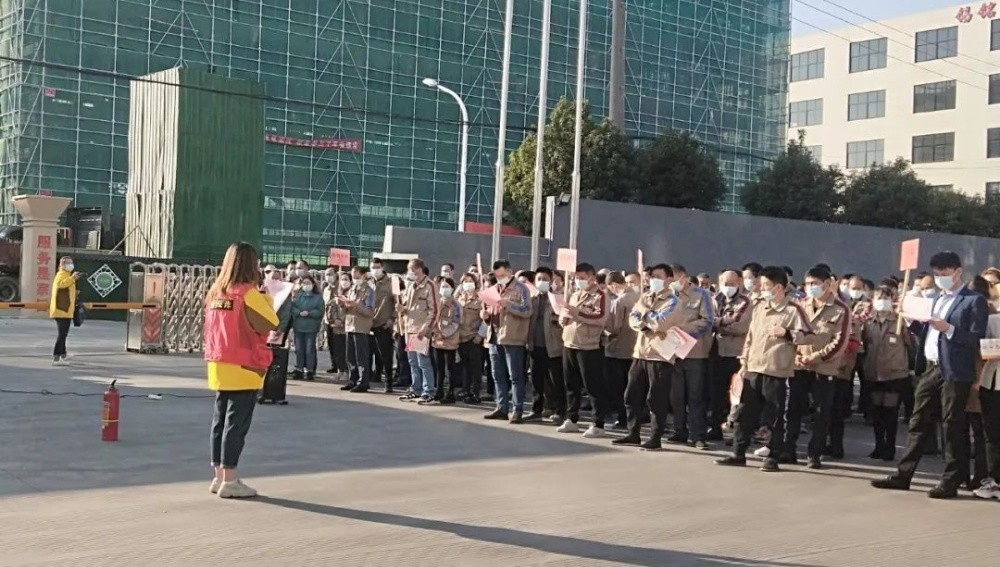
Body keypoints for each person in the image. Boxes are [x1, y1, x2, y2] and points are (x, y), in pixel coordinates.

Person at [873, 251, 989, 499]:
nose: (940, 278)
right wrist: (909, 319)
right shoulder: (936, 299)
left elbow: (976, 338)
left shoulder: (973, 301)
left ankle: (952, 479)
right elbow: (927, 331)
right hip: (931, 367)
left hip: (955, 370)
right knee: (918, 421)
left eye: (944, 274)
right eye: (937, 274)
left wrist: (949, 329)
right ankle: (903, 475)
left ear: (958, 272)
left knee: (952, 425)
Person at [716, 266, 813, 472]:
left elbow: (809, 336)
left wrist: (787, 333)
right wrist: (744, 363)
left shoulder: (793, 310)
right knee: (744, 414)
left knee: (774, 417)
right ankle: (738, 453)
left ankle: (773, 456)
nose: (761, 288)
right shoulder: (760, 307)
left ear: (778, 287)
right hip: (753, 368)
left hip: (776, 371)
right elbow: (750, 337)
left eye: (766, 285)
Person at [203, 242, 278, 498]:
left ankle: (218, 477)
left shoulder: (216, 292)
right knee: (236, 424)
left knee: (220, 421)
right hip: (244, 365)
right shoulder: (247, 293)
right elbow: (270, 321)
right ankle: (231, 480)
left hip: (218, 362)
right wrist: (267, 296)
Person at [784, 266, 850, 469]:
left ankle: (815, 454)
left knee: (822, 412)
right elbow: (791, 333)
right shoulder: (800, 304)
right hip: (799, 365)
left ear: (827, 284)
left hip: (824, 367)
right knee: (794, 409)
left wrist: (815, 357)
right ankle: (788, 449)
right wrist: (798, 356)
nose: (811, 287)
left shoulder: (841, 309)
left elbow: (840, 342)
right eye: (808, 284)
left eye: (815, 283)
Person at [615, 264, 683, 450]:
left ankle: (655, 437)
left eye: (658, 276)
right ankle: (633, 433)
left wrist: (645, 312)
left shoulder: (673, 301)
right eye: (652, 276)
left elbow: (661, 323)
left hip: (659, 356)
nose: (654, 280)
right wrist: (646, 324)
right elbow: (633, 319)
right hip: (640, 352)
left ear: (669, 279)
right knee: (632, 394)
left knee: (656, 398)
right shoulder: (645, 297)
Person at [557, 263, 611, 437]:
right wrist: (564, 318)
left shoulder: (600, 296)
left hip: (589, 345)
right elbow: (569, 315)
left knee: (593, 386)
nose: (578, 281)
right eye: (576, 278)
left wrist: (577, 313)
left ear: (592, 277)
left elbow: (600, 318)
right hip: (570, 342)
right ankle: (571, 418)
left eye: (582, 278)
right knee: (571, 384)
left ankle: (598, 423)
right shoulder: (574, 295)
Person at [665, 264, 715, 449]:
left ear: (683, 278)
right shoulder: (668, 296)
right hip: (673, 352)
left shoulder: (701, 295)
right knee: (676, 396)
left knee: (695, 396)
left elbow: (707, 321)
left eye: (672, 279)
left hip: (695, 352)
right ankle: (679, 431)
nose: (670, 283)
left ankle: (697, 435)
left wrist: (682, 331)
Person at [862, 286, 913, 462]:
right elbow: (865, 343)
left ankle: (889, 447)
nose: (882, 301)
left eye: (886, 297)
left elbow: (911, 343)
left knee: (890, 413)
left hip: (894, 373)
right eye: (878, 298)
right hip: (874, 372)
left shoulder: (899, 321)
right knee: (877, 412)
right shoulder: (868, 322)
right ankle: (878, 446)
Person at [481, 260, 533, 423]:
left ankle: (517, 410)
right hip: (494, 336)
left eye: (502, 275)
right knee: (498, 375)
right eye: (497, 275)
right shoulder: (493, 289)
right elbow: (488, 309)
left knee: (515, 376)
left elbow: (527, 310)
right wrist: (486, 316)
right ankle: (501, 407)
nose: (500, 278)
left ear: (510, 272)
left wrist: (509, 305)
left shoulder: (521, 288)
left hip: (513, 337)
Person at [710, 270, 752, 440]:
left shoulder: (745, 302)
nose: (727, 287)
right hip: (716, 351)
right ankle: (715, 428)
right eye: (724, 283)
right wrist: (723, 322)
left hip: (735, 353)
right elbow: (707, 320)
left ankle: (735, 430)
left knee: (736, 395)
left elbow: (740, 326)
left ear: (739, 283)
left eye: (731, 284)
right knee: (716, 393)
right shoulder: (715, 299)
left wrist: (717, 324)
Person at [398, 259, 439, 402]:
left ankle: (428, 391)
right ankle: (416, 388)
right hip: (410, 328)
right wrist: (402, 309)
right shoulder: (411, 287)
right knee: (413, 362)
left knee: (423, 362)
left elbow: (434, 310)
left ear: (420, 269)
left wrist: (425, 328)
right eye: (409, 270)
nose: (410, 273)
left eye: (412, 269)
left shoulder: (430, 286)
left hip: (421, 330)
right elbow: (409, 308)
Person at [526, 267, 564, 421]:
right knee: (536, 380)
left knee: (556, 380)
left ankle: (559, 410)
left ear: (551, 281)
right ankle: (536, 410)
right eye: (539, 279)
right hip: (535, 344)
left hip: (553, 345)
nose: (542, 282)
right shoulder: (532, 299)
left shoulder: (557, 298)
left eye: (545, 279)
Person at [973, 291, 1000, 500]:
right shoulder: (993, 320)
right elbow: (981, 348)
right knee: (992, 434)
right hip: (992, 382)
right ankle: (995, 480)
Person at [604, 271, 639, 428]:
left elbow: (613, 327)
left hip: (617, 349)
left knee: (617, 387)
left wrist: (603, 331)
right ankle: (633, 417)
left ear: (613, 285)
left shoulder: (620, 301)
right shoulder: (638, 296)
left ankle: (622, 417)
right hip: (634, 349)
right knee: (631, 387)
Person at [340, 266, 376, 392]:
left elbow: (369, 311)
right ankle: (353, 379)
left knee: (361, 356)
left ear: (363, 275)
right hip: (350, 325)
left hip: (361, 327)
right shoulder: (352, 289)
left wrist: (356, 305)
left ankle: (363, 382)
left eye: (356, 275)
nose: (354, 277)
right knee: (350, 356)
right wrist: (343, 305)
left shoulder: (369, 291)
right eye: (353, 275)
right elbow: (347, 309)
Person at [428, 277, 461, 404]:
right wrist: (434, 332)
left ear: (452, 289)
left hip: (450, 341)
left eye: (447, 287)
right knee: (439, 368)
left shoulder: (456, 305)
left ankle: (450, 393)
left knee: (450, 368)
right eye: (442, 286)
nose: (444, 289)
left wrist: (444, 334)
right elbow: (432, 317)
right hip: (437, 340)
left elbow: (456, 323)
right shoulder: (437, 302)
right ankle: (439, 391)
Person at [456, 272, 484, 404]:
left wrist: (480, 335)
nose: (468, 284)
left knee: (475, 367)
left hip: (473, 337)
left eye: (470, 281)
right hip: (460, 337)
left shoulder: (481, 299)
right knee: (464, 367)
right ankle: (465, 390)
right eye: (465, 281)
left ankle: (475, 393)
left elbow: (485, 320)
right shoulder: (459, 299)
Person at [290, 274, 323, 381]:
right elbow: (293, 308)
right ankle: (299, 369)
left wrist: (309, 313)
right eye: (304, 283)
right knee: (299, 349)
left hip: (311, 327)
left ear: (313, 284)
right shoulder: (298, 296)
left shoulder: (318, 297)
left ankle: (310, 370)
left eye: (308, 283)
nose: (306, 285)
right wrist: (299, 312)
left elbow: (320, 311)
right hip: (298, 326)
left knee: (309, 349)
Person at [369, 258, 397, 388]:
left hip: (383, 324)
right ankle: (368, 378)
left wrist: (392, 319)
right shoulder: (369, 283)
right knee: (368, 354)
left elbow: (398, 302)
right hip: (368, 323)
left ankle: (388, 381)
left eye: (377, 267)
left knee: (385, 355)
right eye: (373, 267)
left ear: (382, 267)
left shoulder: (393, 282)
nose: (375, 270)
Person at [49, 256, 80, 365]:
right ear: (62, 265)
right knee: (62, 334)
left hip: (65, 310)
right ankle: (56, 356)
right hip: (61, 310)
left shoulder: (67, 275)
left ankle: (63, 354)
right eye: (68, 263)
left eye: (71, 262)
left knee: (63, 334)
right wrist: (73, 278)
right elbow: (61, 285)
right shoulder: (61, 274)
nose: (71, 265)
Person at [323, 269, 349, 379]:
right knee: (334, 346)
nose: (328, 276)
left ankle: (346, 370)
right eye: (326, 274)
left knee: (345, 349)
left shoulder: (344, 290)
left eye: (330, 274)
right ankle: (338, 367)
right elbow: (329, 306)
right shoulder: (326, 289)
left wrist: (341, 320)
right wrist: (332, 319)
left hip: (344, 324)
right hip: (330, 321)